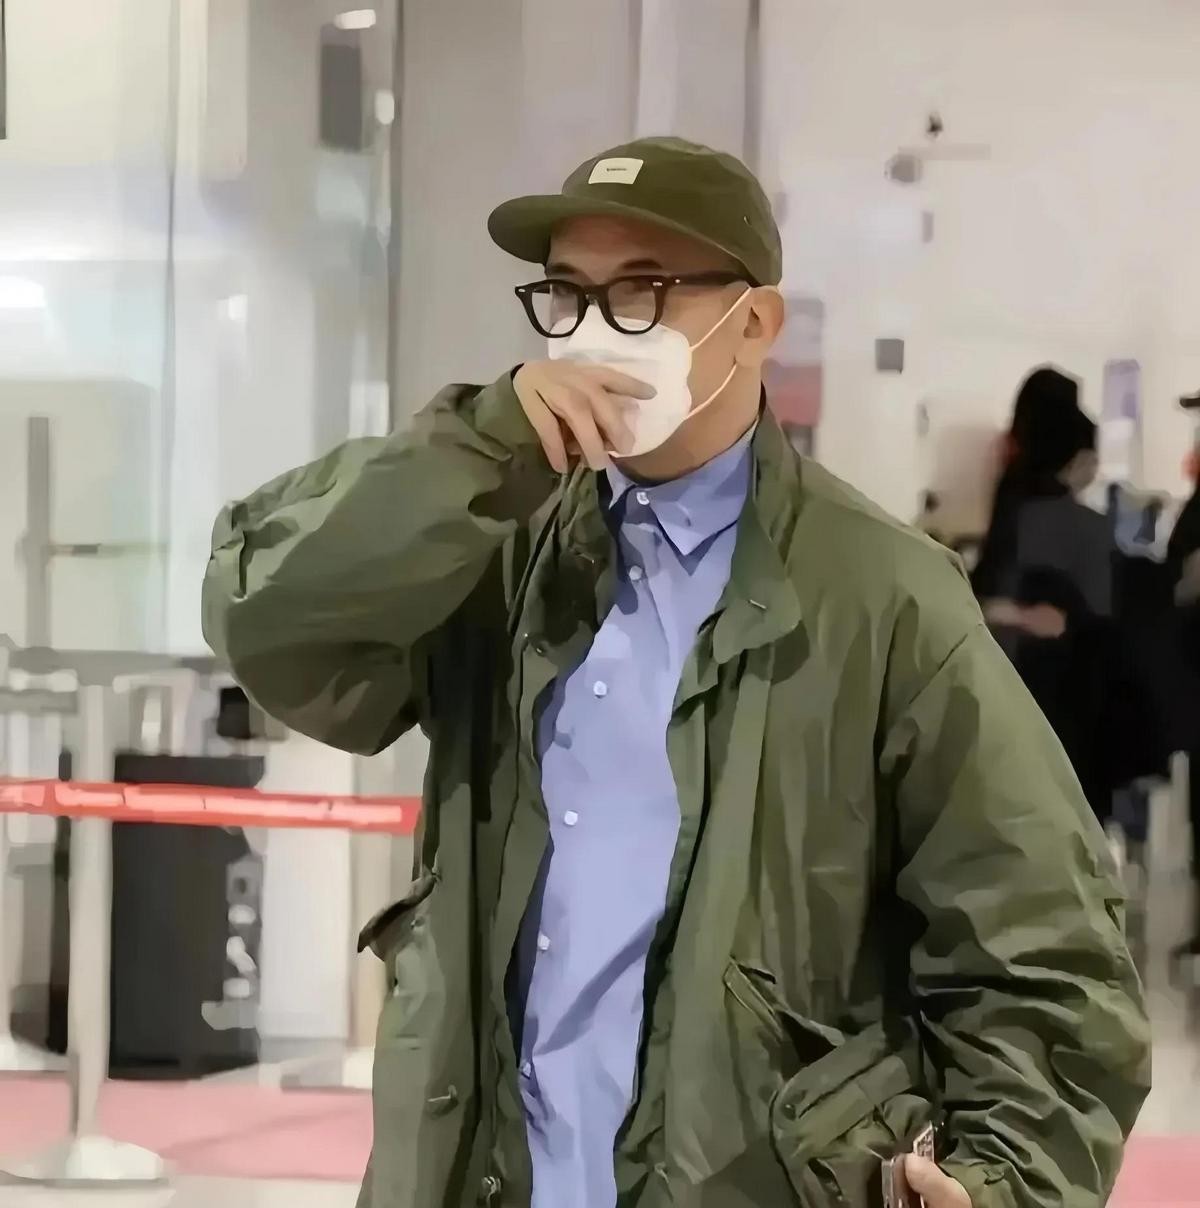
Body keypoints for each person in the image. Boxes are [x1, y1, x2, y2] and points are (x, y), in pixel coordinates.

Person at [202, 138, 1149, 1208]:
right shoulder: (498, 544)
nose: (595, 332)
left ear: (754, 325)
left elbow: (1043, 951)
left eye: (642, 291)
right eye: (569, 294)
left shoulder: (884, 596)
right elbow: (268, 617)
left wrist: (999, 1182)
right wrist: (480, 446)